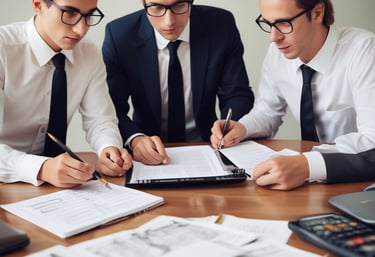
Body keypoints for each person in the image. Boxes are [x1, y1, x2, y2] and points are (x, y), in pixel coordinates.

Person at [211, 0, 375, 190]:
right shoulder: (278, 53)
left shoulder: (364, 52)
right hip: (309, 181)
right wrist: (242, 128)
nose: (274, 37)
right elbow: (267, 112)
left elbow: (372, 140)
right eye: (269, 24)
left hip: (360, 183)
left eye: (283, 23)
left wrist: (307, 163)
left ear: (317, 13)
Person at [102, 0, 255, 165]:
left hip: (209, 146)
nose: (169, 21)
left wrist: (229, 128)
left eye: (179, 5)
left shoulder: (221, 25)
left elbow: (237, 94)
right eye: (157, 7)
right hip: (146, 151)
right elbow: (111, 108)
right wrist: (135, 139)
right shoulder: (119, 35)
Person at [0, 0, 132, 188]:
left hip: (60, 185)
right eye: (69, 13)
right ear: (38, 5)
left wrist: (108, 148)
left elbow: (100, 120)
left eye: (89, 16)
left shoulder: (89, 53)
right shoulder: (3, 48)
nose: (81, 29)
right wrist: (42, 168)